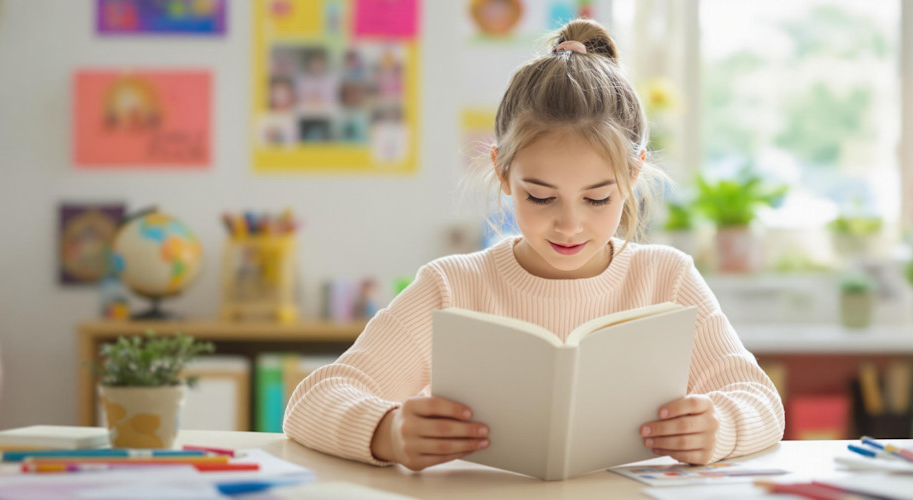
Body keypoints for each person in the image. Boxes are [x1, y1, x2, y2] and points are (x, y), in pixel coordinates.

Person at [283, 19, 784, 472]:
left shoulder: (667, 278)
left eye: (597, 197)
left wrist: (721, 424)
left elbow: (760, 401)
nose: (569, 225)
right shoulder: (452, 286)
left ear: (633, 175)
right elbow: (312, 401)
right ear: (502, 172)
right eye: (540, 196)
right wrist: (386, 431)